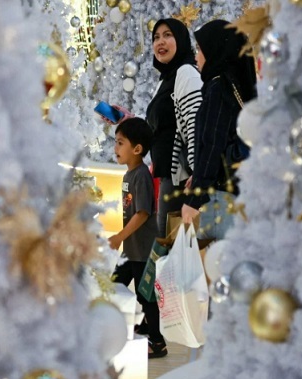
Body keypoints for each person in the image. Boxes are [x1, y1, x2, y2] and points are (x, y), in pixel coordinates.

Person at [103, 18, 202, 238]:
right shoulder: (167, 79)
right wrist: (127, 119)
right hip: (168, 178)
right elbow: (159, 130)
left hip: (183, 181)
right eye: (156, 37)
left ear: (181, 40)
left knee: (174, 248)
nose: (160, 42)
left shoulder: (186, 73)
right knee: (169, 247)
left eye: (167, 35)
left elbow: (196, 126)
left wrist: (198, 175)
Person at [181, 19, 257, 240]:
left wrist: (195, 197)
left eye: (200, 49)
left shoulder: (218, 87)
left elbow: (212, 144)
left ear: (215, 49)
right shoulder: (234, 84)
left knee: (216, 257)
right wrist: (198, 176)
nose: (196, 56)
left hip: (220, 198)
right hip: (236, 191)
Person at [108, 117, 167, 359]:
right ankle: (139, 325)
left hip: (143, 250)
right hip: (131, 248)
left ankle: (158, 342)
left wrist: (119, 236)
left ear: (137, 149)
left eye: (120, 143)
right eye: (116, 142)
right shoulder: (128, 176)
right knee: (115, 284)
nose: (115, 147)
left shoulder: (141, 175)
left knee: (146, 295)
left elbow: (143, 213)